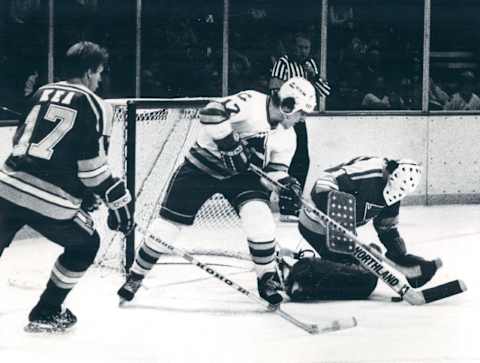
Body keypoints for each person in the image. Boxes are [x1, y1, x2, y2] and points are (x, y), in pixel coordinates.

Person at [117, 77, 317, 306]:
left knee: (260, 220)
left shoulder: (288, 137)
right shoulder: (251, 102)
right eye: (301, 112)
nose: (302, 118)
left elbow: (272, 174)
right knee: (168, 226)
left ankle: (267, 279)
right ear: (288, 105)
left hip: (243, 178)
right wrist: (230, 144)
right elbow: (211, 112)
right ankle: (135, 276)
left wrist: (285, 185)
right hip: (201, 168)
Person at [0, 41, 134, 333]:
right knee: (86, 244)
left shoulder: (42, 91)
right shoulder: (96, 104)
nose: (99, 80)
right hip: (51, 199)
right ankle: (46, 312)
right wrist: (116, 199)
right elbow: (92, 168)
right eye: (98, 73)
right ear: (88, 72)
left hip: (6, 185)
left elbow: (20, 139)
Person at [277, 156, 440, 301]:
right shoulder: (368, 172)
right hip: (317, 226)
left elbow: (387, 228)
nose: (395, 194)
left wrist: (404, 260)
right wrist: (334, 211)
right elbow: (324, 183)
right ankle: (300, 273)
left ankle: (297, 267)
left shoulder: (396, 190)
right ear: (389, 174)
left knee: (367, 276)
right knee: (365, 279)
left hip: (342, 235)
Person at [269, 32, 331, 222]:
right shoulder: (283, 63)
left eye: (306, 48)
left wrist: (315, 76)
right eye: (300, 47)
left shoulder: (310, 65)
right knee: (282, 160)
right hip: (283, 121)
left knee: (302, 160)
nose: (303, 51)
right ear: (292, 47)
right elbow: (274, 91)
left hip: (299, 122)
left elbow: (326, 92)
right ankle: (285, 207)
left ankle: (292, 204)